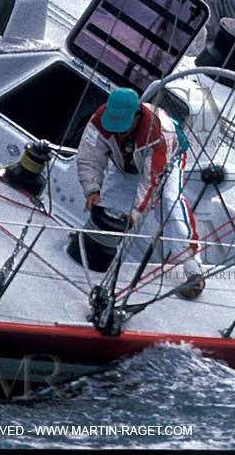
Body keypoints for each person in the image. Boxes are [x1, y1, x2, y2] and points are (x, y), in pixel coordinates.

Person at [75, 87, 204, 299]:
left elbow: (152, 182)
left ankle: (192, 269)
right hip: (124, 162)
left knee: (169, 204)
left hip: (167, 160)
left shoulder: (159, 133)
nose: (118, 131)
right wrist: (92, 189)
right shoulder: (99, 119)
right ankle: (95, 253)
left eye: (123, 127)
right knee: (107, 209)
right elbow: (90, 156)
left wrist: (135, 215)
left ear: (137, 116)